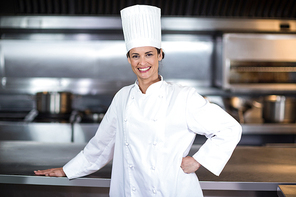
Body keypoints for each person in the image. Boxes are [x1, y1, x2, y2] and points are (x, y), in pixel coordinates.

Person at [34, 5, 242, 196]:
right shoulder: (122, 97)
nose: (142, 62)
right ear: (128, 59)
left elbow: (229, 128)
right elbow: (101, 145)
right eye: (135, 56)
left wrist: (198, 160)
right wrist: (67, 170)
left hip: (172, 191)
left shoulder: (182, 96)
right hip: (130, 191)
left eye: (149, 54)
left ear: (160, 55)